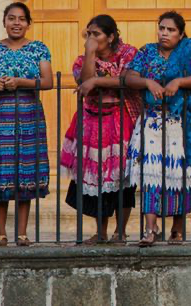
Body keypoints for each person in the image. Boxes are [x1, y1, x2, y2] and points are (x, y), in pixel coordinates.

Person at [125, 11, 191, 246]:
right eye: (162, 28)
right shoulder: (147, 52)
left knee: (181, 174)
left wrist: (178, 82)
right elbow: (128, 78)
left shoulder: (190, 50)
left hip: (183, 121)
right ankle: (150, 229)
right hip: (153, 121)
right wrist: (148, 82)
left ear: (180, 34)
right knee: (150, 173)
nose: (164, 33)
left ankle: (177, 229)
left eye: (171, 30)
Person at [60, 14, 140, 244]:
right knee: (95, 178)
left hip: (120, 120)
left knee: (121, 179)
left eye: (96, 34)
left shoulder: (128, 54)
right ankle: (101, 231)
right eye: (89, 33)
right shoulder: (83, 58)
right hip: (92, 123)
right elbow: (82, 82)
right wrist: (90, 54)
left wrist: (96, 81)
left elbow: (127, 80)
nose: (91, 37)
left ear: (111, 36)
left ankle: (120, 232)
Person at [0, 2, 52, 246]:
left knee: (25, 171)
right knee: (1, 172)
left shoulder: (38, 49)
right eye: (11, 18)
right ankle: (0, 234)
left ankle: (22, 233)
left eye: (21, 19)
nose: (16, 23)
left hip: (28, 115)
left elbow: (47, 82)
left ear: (28, 23)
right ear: (4, 21)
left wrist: (21, 82)